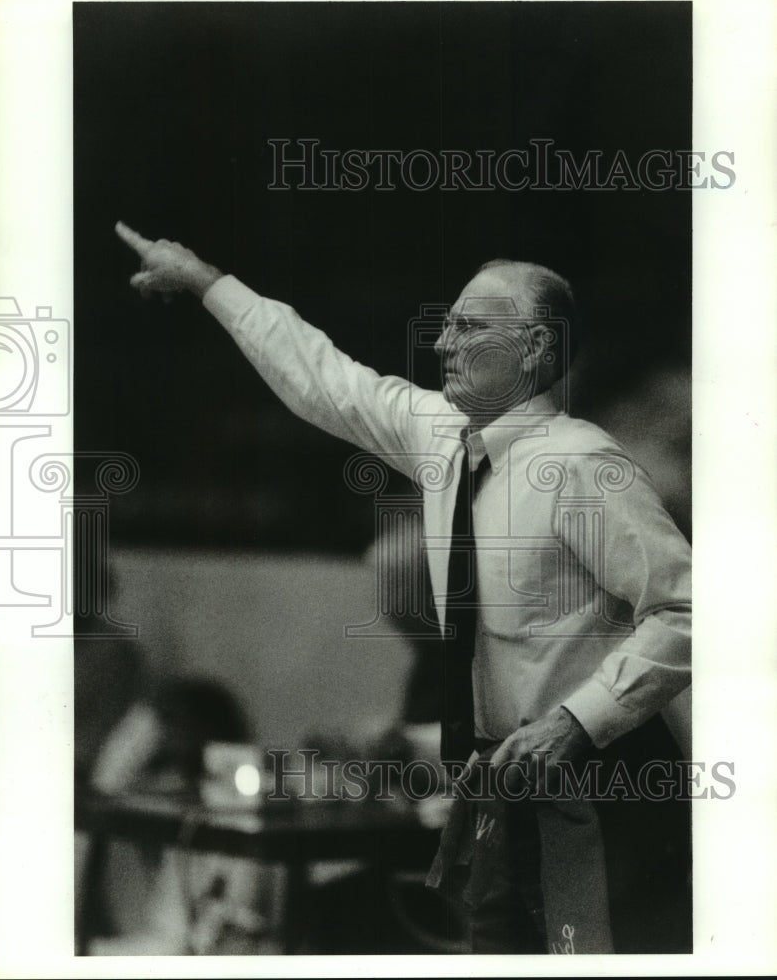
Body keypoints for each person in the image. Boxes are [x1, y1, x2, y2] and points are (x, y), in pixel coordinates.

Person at [114, 221, 692, 953]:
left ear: (536, 350)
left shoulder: (585, 466)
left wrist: (574, 722)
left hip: (602, 789)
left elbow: (686, 610)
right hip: (501, 794)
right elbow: (322, 377)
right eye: (446, 325)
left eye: (469, 327)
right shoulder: (441, 436)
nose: (443, 343)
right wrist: (205, 281)